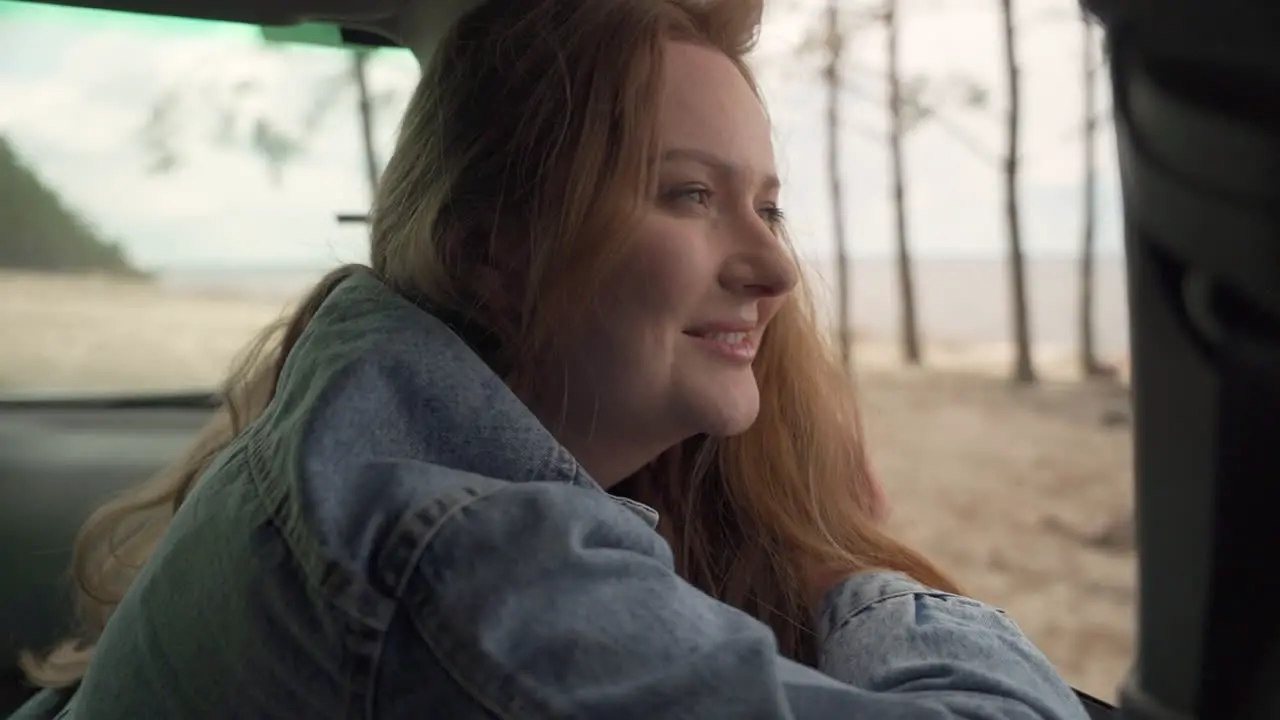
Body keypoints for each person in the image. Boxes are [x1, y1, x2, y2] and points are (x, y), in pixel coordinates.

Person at [14, 0, 1089, 717]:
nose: (774, 267)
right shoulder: (454, 554)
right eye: (691, 195)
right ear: (494, 255)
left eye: (767, 204)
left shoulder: (369, 442)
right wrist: (851, 580)